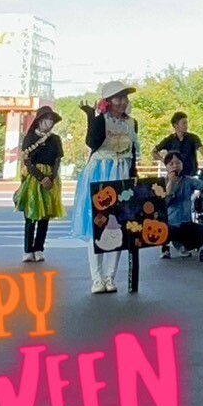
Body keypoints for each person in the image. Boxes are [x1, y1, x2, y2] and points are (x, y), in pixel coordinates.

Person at [72, 81, 140, 294]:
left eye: (124, 97)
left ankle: (110, 276)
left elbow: (133, 152)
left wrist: (133, 174)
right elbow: (92, 142)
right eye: (118, 98)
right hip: (101, 171)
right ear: (108, 101)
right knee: (98, 223)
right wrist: (92, 117)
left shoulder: (132, 123)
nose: (122, 102)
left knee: (118, 225)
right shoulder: (101, 120)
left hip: (123, 172)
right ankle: (96, 278)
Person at [13, 106, 64, 263]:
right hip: (33, 178)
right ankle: (28, 250)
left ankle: (39, 248)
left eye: (51, 119)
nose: (49, 122)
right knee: (30, 216)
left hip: (50, 178)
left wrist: (51, 177)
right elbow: (27, 162)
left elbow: (57, 159)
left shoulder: (55, 139)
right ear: (39, 121)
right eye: (46, 118)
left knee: (44, 216)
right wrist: (41, 178)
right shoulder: (29, 138)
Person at [161, 153, 203, 258]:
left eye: (178, 163)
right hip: (169, 223)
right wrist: (171, 181)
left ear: (182, 165)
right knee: (166, 230)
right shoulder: (162, 182)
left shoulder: (188, 180)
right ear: (166, 167)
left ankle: (182, 243)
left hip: (185, 222)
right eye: (171, 164)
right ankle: (167, 247)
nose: (175, 166)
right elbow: (165, 199)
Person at [154, 112, 203, 177]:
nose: (186, 126)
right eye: (184, 123)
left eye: (186, 123)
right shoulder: (169, 140)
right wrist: (165, 161)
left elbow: (201, 149)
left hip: (191, 176)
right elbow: (154, 152)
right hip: (175, 176)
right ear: (175, 125)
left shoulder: (193, 138)